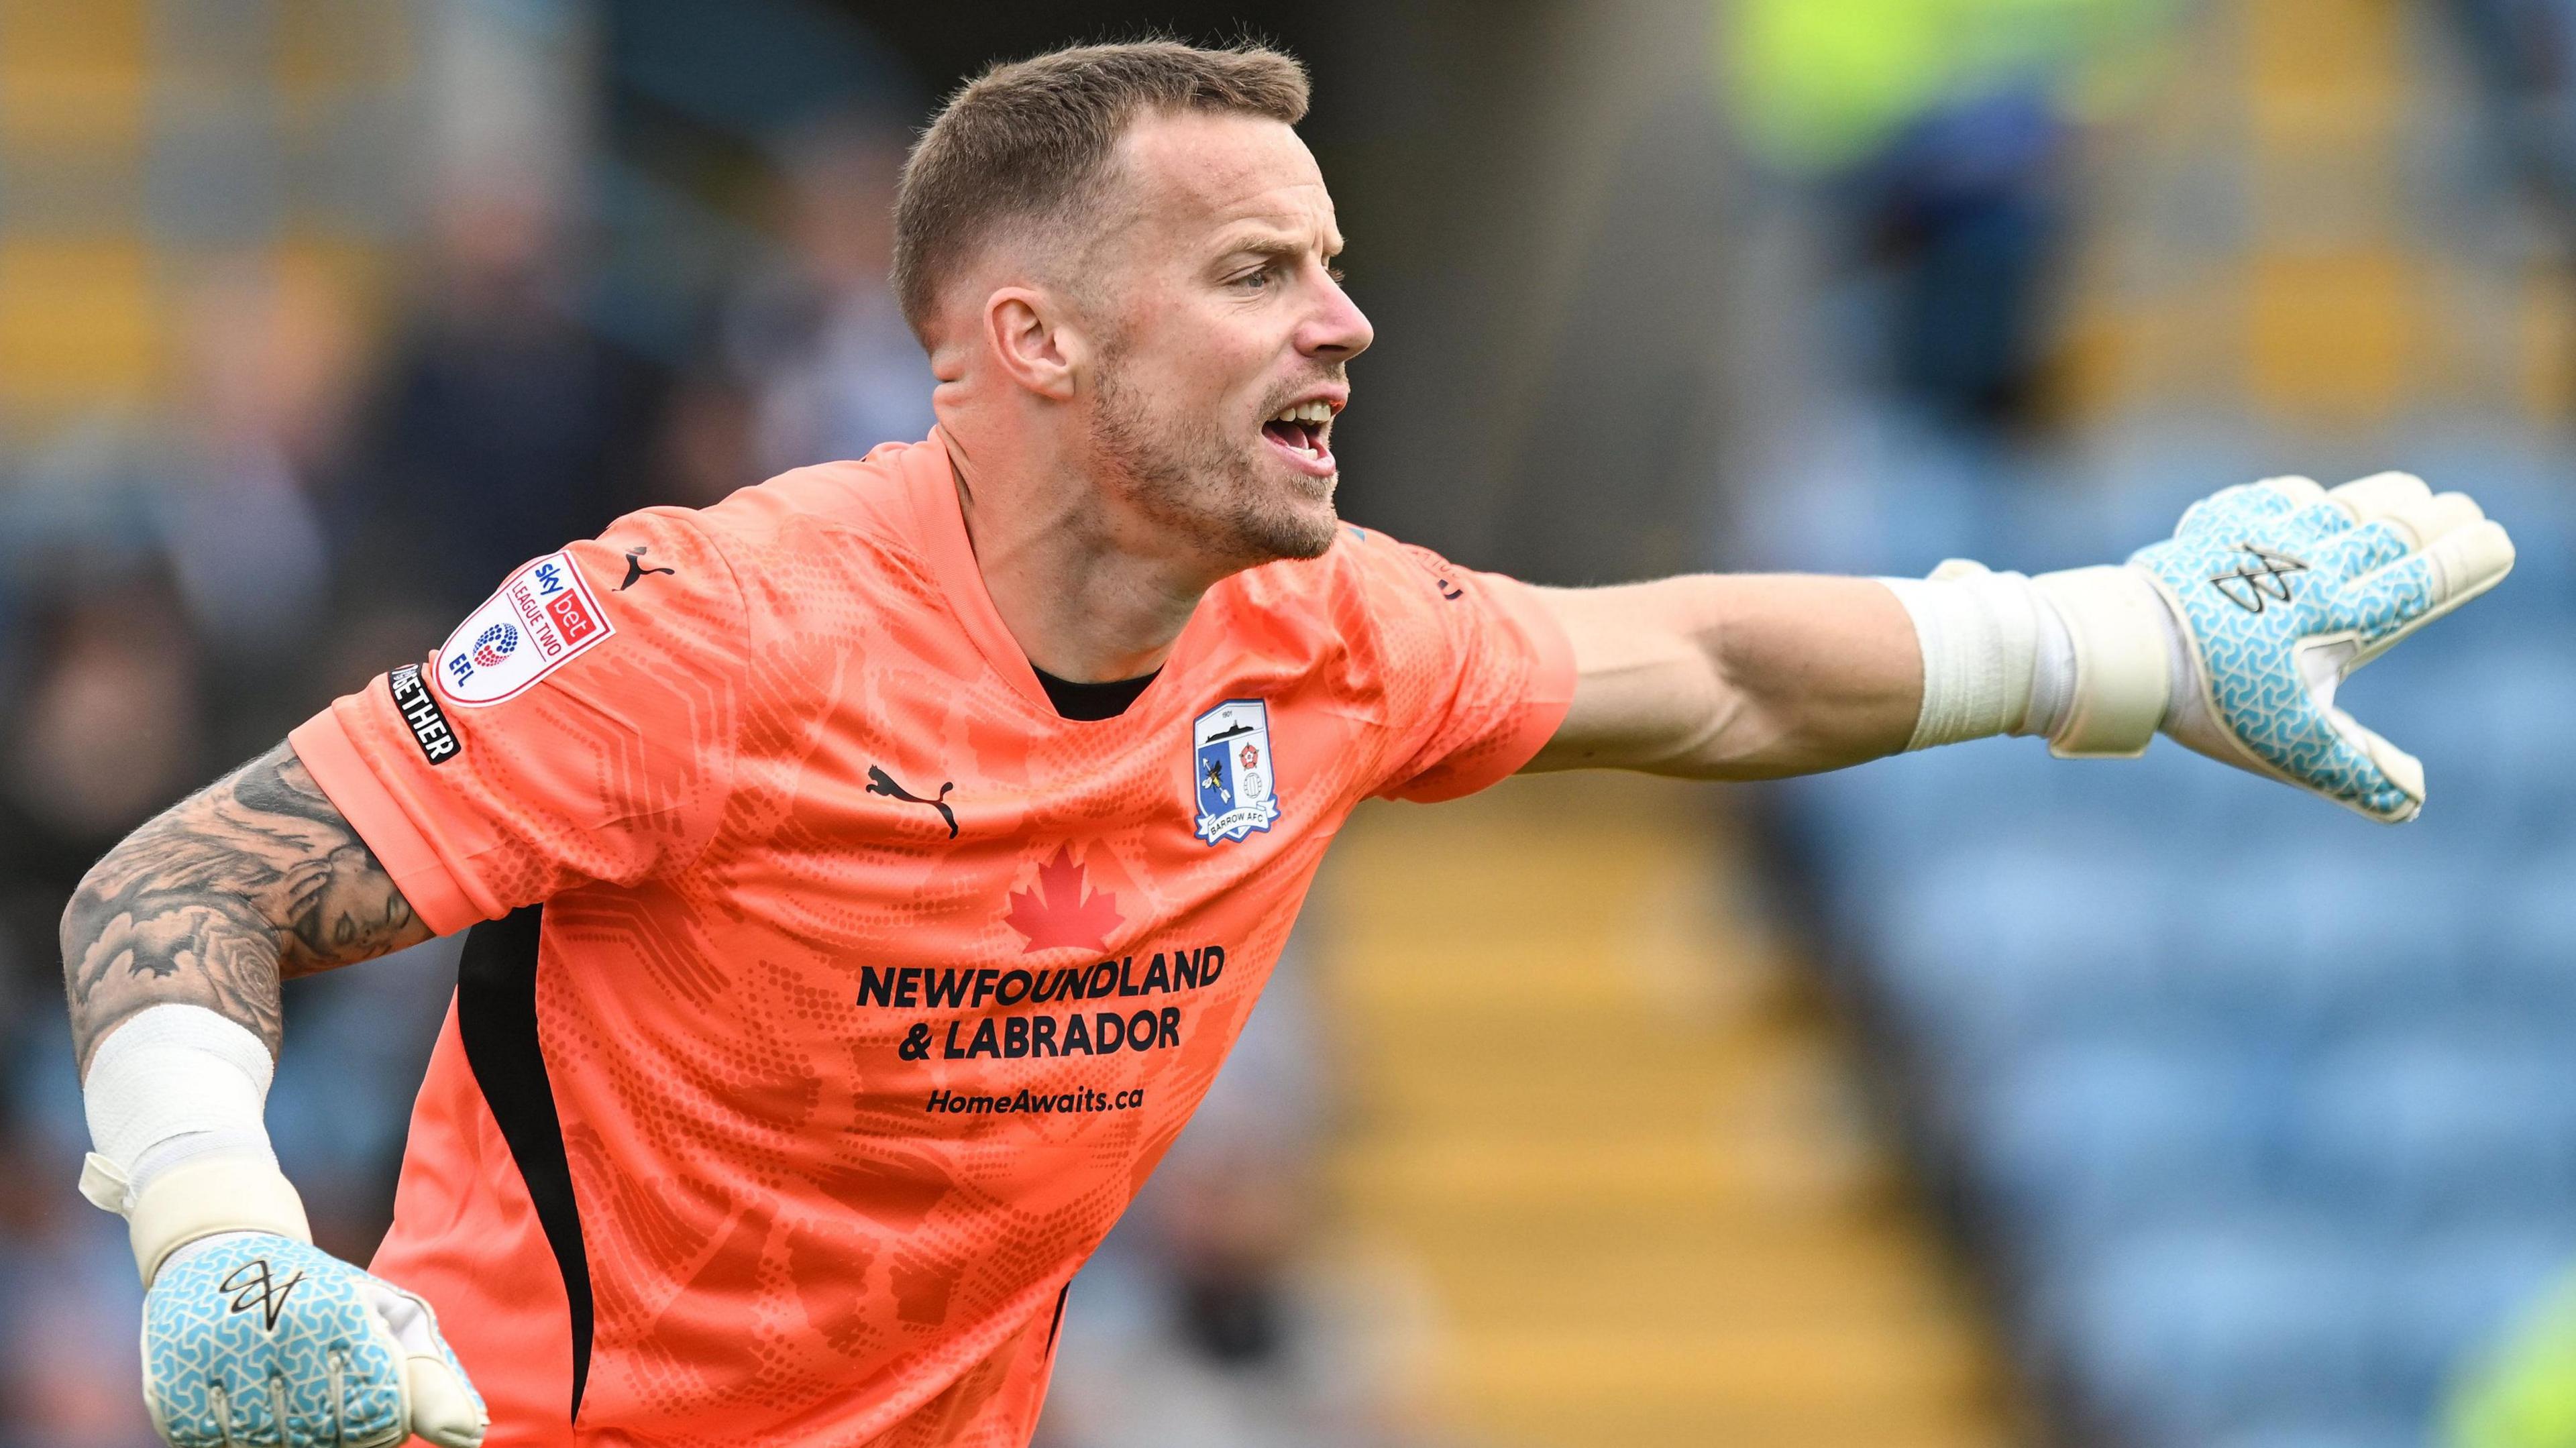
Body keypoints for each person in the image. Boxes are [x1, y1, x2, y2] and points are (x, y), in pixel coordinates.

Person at [56, 40, 2515, 1448]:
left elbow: (1714, 666)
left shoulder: (1315, 648)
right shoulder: (710, 629)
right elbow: (178, 881)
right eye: (1261, 273)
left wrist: (2125, 636)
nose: (1345, 323)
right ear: (1028, 342)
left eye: (1337, 263)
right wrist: (217, 1245)